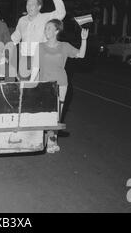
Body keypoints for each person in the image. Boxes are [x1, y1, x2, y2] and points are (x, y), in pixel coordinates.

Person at [30, 19, 89, 153]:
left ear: (57, 31)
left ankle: (52, 142)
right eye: (45, 28)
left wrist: (84, 40)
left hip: (61, 84)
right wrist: (29, 83)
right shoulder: (40, 46)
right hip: (45, 85)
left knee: (57, 115)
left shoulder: (65, 46)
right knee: (45, 113)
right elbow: (35, 67)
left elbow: (81, 54)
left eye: (49, 28)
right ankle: (43, 139)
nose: (46, 31)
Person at [11, 0, 66, 80]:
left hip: (41, 58)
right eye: (28, 4)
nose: (29, 7)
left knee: (39, 89)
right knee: (23, 88)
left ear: (39, 7)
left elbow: (61, 13)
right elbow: (15, 37)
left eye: (32, 4)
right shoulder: (22, 20)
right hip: (25, 59)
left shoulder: (46, 18)